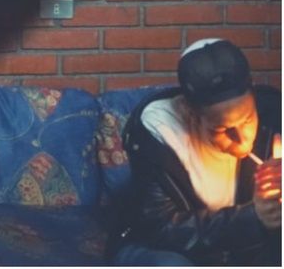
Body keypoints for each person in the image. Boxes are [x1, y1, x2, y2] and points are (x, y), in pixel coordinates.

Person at [111, 38, 281, 266]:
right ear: (189, 111)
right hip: (163, 251)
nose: (242, 141)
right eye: (223, 129)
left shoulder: (274, 116)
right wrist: (252, 218)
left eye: (248, 120)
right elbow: (160, 230)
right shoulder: (156, 134)